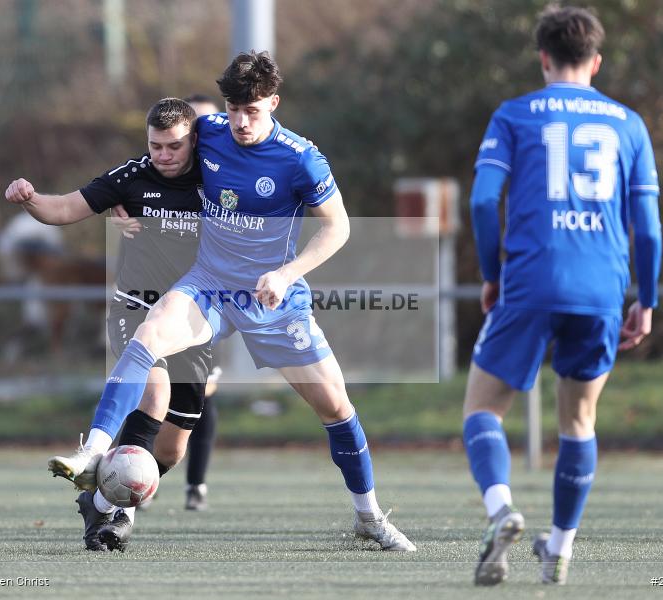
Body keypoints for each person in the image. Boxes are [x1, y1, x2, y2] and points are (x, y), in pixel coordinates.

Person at [47, 51, 416, 553]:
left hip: (274, 300)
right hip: (208, 285)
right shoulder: (210, 131)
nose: (241, 122)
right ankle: (92, 452)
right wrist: (122, 201)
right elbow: (161, 162)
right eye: (234, 109)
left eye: (254, 111)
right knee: (148, 337)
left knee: (337, 408)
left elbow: (339, 227)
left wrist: (288, 273)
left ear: (274, 104)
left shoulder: (300, 158)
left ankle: (368, 516)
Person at [463, 5, 662, 585]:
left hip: (529, 280)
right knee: (579, 419)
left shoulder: (514, 115)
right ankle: (560, 547)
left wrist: (490, 272)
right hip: (601, 286)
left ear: (543, 58)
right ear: (595, 62)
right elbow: (647, 226)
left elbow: (481, 202)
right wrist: (644, 298)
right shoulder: (628, 123)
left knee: (482, 407)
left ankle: (502, 509)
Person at [5, 98, 214, 551]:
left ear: (193, 140)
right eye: (155, 145)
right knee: (154, 392)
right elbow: (64, 209)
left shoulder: (215, 179)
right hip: (135, 310)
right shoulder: (131, 177)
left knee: (172, 449)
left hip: (192, 321)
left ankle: (99, 500)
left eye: (174, 146)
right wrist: (31, 199)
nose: (163, 155)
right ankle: (117, 514)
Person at [181, 92, 222, 512]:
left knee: (203, 392)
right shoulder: (161, 170)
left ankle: (197, 484)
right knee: (146, 390)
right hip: (159, 296)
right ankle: (135, 473)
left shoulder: (229, 174)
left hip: (213, 297)